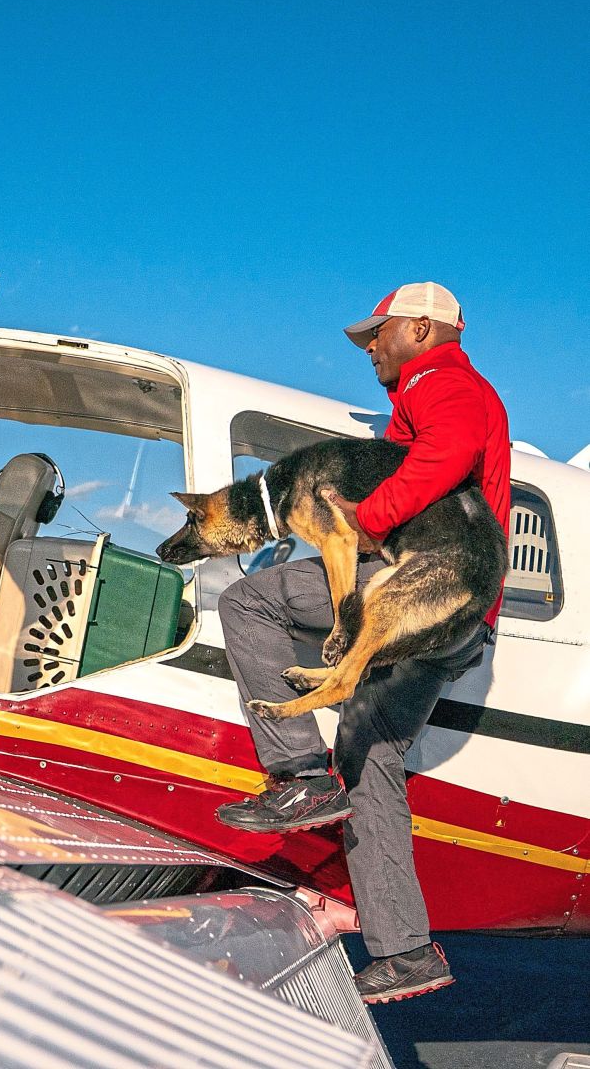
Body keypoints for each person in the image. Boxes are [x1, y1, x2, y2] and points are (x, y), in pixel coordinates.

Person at [215, 281, 510, 1004]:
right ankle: (406, 952)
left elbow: (450, 450)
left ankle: (296, 776)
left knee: (248, 600)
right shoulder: (434, 389)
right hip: (459, 618)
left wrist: (373, 517)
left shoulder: (445, 382)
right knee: (369, 754)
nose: (370, 347)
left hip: (422, 587)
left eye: (377, 333)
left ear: (419, 328)